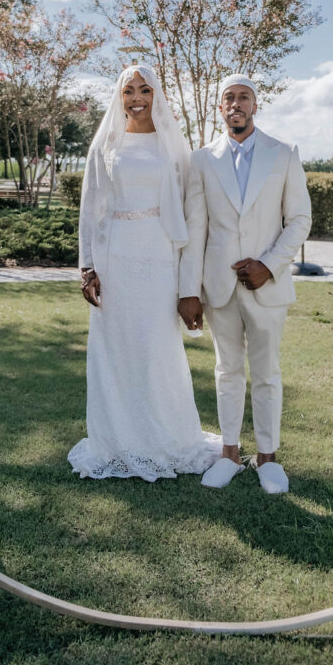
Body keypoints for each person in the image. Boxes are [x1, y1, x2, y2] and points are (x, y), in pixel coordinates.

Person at [68, 65, 221, 481]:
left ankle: (164, 440)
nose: (137, 97)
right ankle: (116, 443)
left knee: (156, 350)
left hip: (158, 257)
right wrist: (88, 267)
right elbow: (91, 207)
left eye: (145, 89)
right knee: (115, 351)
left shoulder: (173, 146)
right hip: (114, 259)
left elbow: (192, 215)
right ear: (119, 97)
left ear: (157, 94)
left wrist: (189, 286)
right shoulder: (106, 145)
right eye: (128, 90)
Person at [178, 75, 311, 493]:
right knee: (227, 371)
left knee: (267, 372)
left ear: (255, 106)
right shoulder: (202, 160)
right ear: (220, 108)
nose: (236, 104)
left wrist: (269, 265)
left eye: (244, 98)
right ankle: (230, 455)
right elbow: (196, 227)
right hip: (218, 287)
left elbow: (300, 220)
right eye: (228, 98)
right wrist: (189, 290)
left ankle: (269, 459)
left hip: (265, 286)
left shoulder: (284, 153)